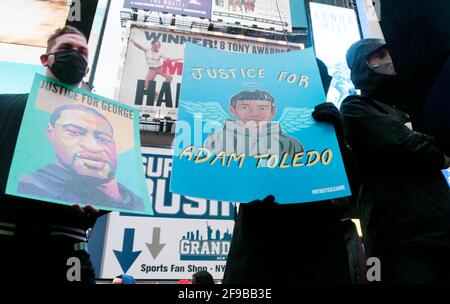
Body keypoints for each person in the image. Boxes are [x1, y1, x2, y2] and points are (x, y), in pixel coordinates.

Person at [223, 59, 363, 284]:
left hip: (315, 246)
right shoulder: (248, 132)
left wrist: (338, 136)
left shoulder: (330, 128)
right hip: (260, 244)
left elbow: (350, 196)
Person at [0, 26, 106, 283]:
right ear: (45, 58)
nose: (75, 56)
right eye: (66, 49)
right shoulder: (4, 106)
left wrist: (100, 205)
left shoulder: (105, 124)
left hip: (68, 248)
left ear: (87, 68)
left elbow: (111, 183)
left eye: (82, 52)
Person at [341, 38, 450, 283]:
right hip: (392, 239)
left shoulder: (415, 108)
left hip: (440, 228)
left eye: (390, 52)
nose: (388, 59)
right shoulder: (355, 106)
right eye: (378, 56)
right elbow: (401, 144)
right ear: (361, 66)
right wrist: (437, 153)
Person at [17, 104, 145, 212]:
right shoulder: (30, 186)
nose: (93, 147)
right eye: (74, 132)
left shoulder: (135, 201)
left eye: (104, 139)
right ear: (51, 133)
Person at [204, 90, 304, 157]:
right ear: (232, 110)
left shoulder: (289, 144)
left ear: (272, 112)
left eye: (262, 108)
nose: (253, 114)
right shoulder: (217, 139)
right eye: (245, 107)